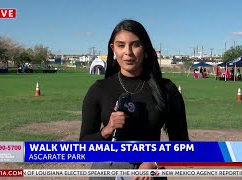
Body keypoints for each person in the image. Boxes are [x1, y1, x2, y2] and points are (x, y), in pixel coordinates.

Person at [79, 19, 190, 179]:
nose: (128, 52)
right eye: (121, 45)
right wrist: (107, 130)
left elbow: (182, 147)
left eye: (135, 44)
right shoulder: (99, 90)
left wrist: (154, 163)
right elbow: (84, 147)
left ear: (145, 49)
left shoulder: (167, 90)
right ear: (113, 49)